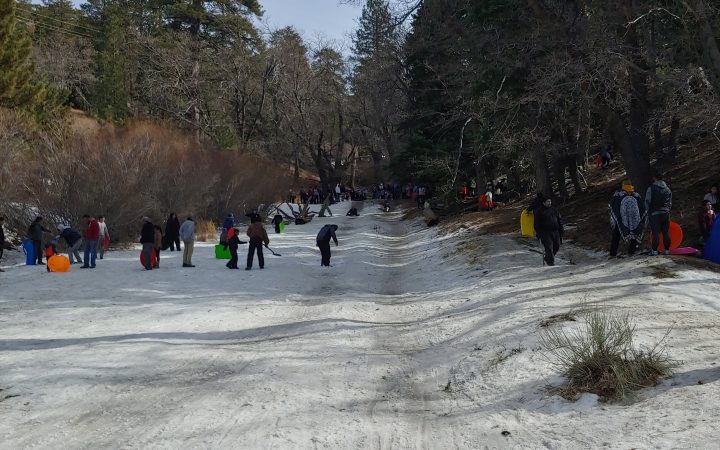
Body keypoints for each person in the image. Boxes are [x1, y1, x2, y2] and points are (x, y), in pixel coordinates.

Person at [608, 182, 646, 258]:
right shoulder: (619, 195)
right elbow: (614, 206)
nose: (629, 192)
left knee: (633, 234)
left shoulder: (634, 195)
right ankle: (615, 253)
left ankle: (630, 251)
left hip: (630, 219)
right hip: (623, 220)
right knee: (618, 235)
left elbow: (641, 207)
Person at [644, 173, 672, 255]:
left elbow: (647, 201)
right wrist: (667, 209)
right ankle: (667, 250)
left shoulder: (651, 188)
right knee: (666, 232)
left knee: (655, 233)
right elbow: (670, 202)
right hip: (665, 213)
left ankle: (654, 250)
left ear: (654, 178)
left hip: (654, 213)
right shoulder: (668, 189)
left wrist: (648, 211)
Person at [534, 197, 564, 266]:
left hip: (555, 231)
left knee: (557, 246)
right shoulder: (539, 211)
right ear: (544, 203)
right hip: (545, 233)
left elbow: (559, 219)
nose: (549, 203)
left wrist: (561, 229)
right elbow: (536, 224)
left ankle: (548, 257)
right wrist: (538, 233)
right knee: (549, 247)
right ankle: (551, 263)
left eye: (550, 201)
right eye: (548, 201)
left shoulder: (554, 210)